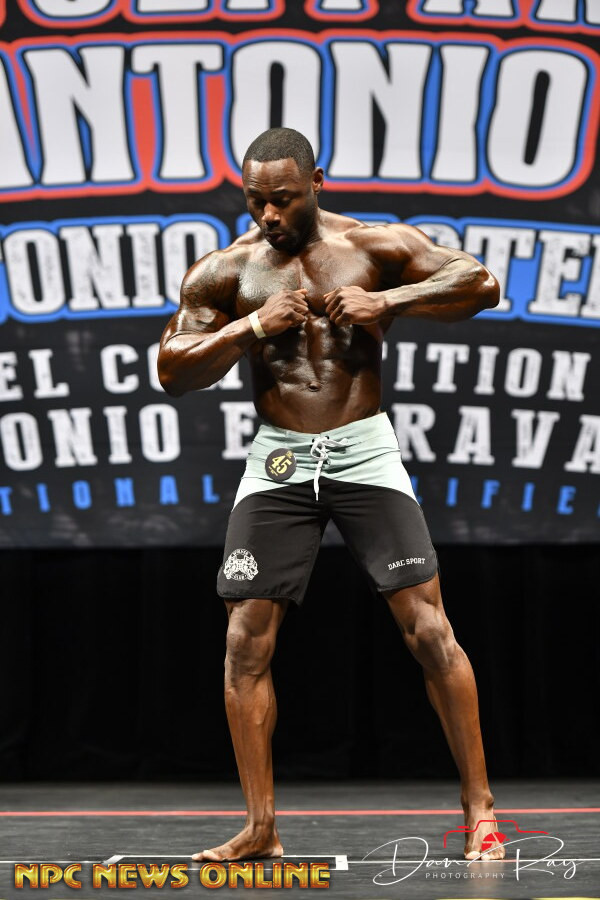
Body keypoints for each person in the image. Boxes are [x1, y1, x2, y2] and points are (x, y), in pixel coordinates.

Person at [157, 127, 505, 864]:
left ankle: (480, 809)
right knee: (244, 641)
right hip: (279, 462)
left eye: (283, 198)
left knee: (428, 630)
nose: (269, 215)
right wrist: (252, 326)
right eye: (255, 200)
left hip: (363, 449)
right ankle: (261, 828)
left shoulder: (373, 245)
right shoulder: (227, 270)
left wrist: (390, 301)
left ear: (317, 182)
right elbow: (173, 370)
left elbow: (481, 283)